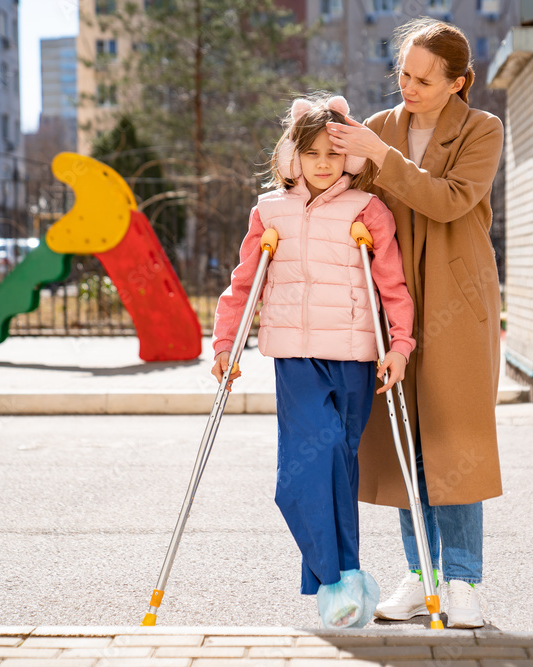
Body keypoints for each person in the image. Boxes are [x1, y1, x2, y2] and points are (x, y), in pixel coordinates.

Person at [211, 94, 416, 628]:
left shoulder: (367, 210)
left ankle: (343, 580)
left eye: (332, 152)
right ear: (292, 158)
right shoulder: (269, 211)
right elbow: (242, 287)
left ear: (348, 158)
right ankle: (332, 576)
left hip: (353, 357)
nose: (322, 163)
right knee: (304, 468)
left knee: (339, 467)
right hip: (296, 358)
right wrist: (224, 345)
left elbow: (391, 284)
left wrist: (400, 346)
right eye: (310, 152)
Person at [326, 18, 504, 629]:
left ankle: (464, 581)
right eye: (403, 72)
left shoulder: (483, 130)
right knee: (408, 447)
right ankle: (420, 574)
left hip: (458, 301)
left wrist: (383, 158)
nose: (409, 86)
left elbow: (450, 200)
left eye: (424, 79)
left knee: (457, 442)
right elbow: (341, 193)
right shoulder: (377, 129)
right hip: (393, 303)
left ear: (458, 83)